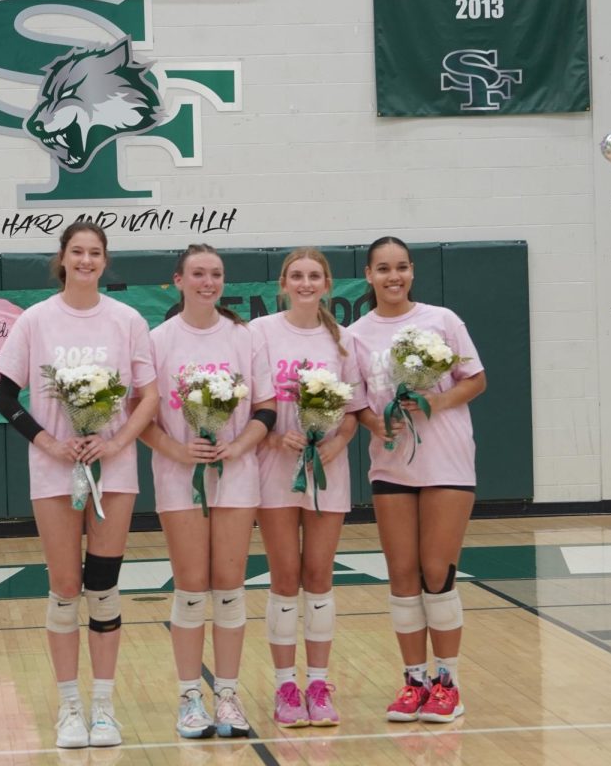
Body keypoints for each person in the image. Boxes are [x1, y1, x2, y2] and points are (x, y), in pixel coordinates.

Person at [0, 221, 159, 749]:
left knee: (104, 589)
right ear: (62, 259)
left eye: (95, 253)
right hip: (54, 472)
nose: (86, 260)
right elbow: (5, 399)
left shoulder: (127, 320)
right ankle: (69, 708)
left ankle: (104, 708)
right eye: (77, 252)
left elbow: (148, 397)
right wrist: (50, 444)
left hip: (114, 473)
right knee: (66, 589)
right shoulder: (35, 321)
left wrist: (114, 443)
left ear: (105, 261)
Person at [140, 243, 277, 739]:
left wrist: (240, 445)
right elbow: (143, 419)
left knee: (229, 583)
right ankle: (189, 699)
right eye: (197, 273)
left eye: (216, 274)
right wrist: (178, 452)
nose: (208, 282)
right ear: (178, 280)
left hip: (237, 475)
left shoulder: (244, 337)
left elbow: (265, 408)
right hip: (179, 477)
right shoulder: (158, 340)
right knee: (192, 584)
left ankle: (229, 696)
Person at [349, 236, 486, 724]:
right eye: (383, 268)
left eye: (402, 267)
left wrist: (435, 402)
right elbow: (357, 402)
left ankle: (447, 683)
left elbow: (476, 379)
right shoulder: (356, 335)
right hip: (391, 466)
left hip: (447, 463)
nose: (394, 276)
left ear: (412, 272)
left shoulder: (442, 320)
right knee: (402, 574)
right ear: (368, 275)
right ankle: (414, 681)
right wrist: (376, 422)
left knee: (437, 571)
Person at [250, 248, 364, 728]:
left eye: (314, 275)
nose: (305, 283)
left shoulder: (344, 341)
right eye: (296, 275)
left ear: (327, 283)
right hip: (275, 468)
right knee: (283, 577)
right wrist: (276, 436)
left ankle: (318, 683)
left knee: (318, 576)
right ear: (282, 283)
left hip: (325, 471)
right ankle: (284, 688)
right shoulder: (260, 333)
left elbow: (354, 412)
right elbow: (253, 403)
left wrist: (337, 442)